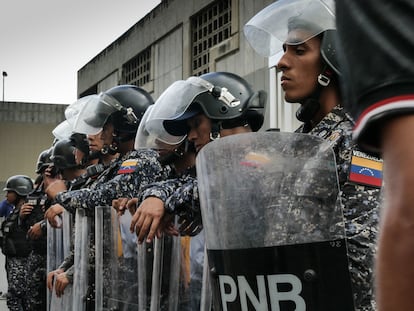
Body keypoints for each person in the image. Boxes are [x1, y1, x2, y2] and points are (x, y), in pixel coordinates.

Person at [244, 0, 382, 309]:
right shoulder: (298, 144)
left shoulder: (360, 141)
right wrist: (161, 198)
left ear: (334, 60)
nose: (281, 62)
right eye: (283, 50)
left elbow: (363, 259)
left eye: (299, 50)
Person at [128, 71, 266, 309]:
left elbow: (223, 184)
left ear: (220, 114)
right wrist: (155, 195)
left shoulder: (257, 161)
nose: (190, 136)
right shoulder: (215, 168)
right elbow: (183, 182)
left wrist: (166, 202)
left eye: (196, 124)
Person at [334, 2, 414, 310]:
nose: (281, 64)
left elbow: (400, 215)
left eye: (299, 50)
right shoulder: (304, 141)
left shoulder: (350, 137)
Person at [1, 175, 34, 311]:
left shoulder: (27, 211)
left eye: (10, 192)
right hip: (12, 260)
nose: (6, 195)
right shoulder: (15, 211)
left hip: (21, 262)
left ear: (19, 192)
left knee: (17, 297)